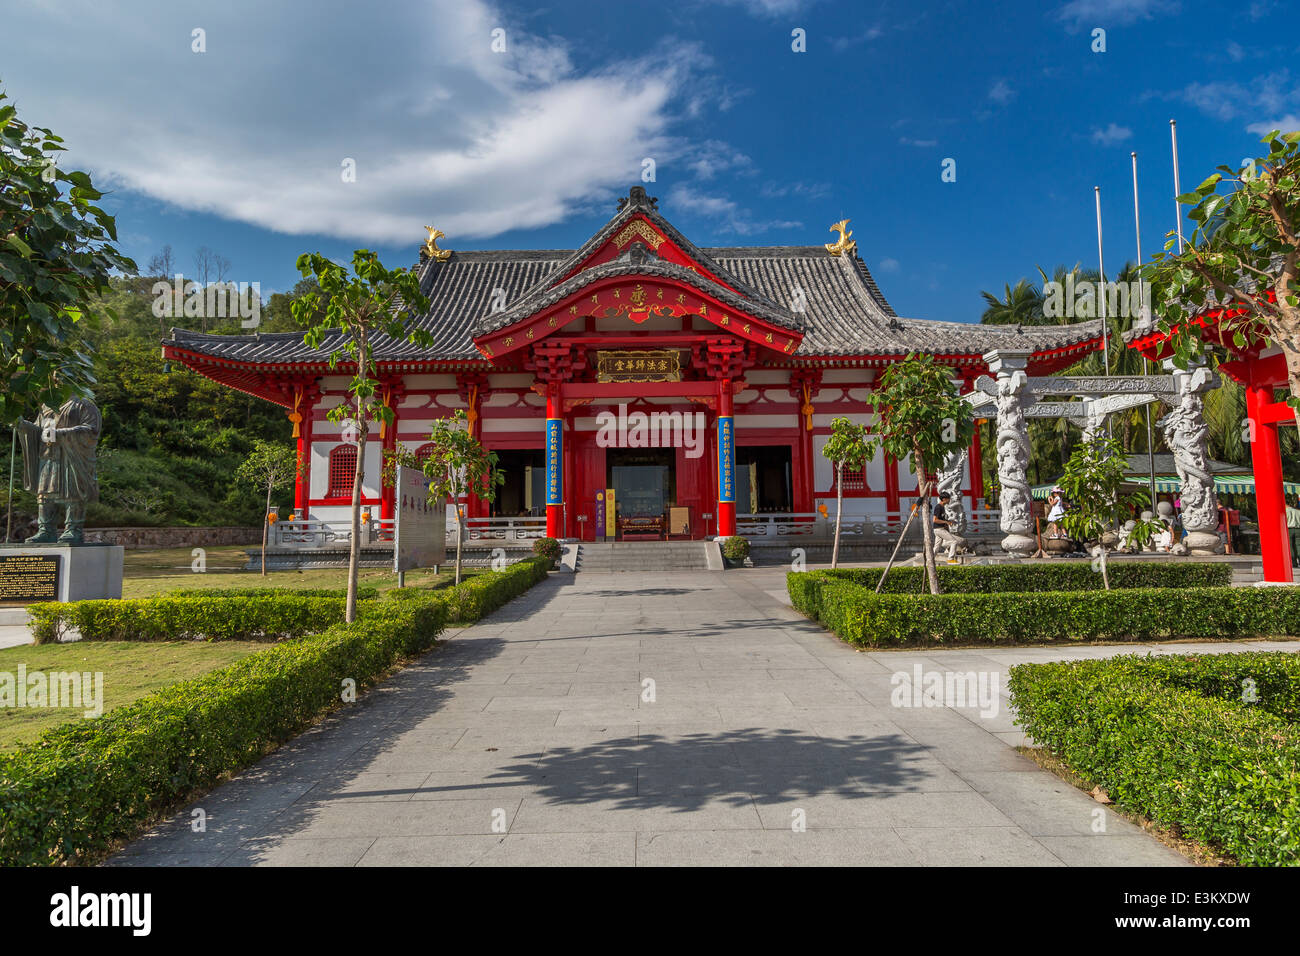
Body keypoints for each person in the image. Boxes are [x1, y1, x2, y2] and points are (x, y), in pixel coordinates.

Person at [932, 491, 959, 560]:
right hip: (939, 529)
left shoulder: (942, 507)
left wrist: (948, 522)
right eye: (948, 499)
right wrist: (946, 522)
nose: (949, 500)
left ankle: (930, 559)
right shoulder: (938, 507)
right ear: (944, 499)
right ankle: (951, 558)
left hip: (939, 529)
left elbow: (942, 519)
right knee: (954, 541)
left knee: (936, 547)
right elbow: (935, 520)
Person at [1287, 495, 1300, 568]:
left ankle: (1294, 562)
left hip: (1289, 530)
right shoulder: (1298, 511)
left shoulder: (1285, 511)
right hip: (1298, 529)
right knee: (1299, 546)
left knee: (1291, 546)